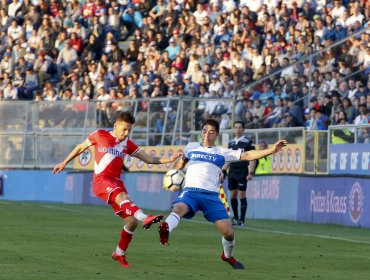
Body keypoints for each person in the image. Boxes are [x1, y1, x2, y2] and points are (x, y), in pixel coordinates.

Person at [53, 111, 183, 268]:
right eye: (124, 129)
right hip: (101, 181)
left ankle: (119, 253)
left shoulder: (127, 144)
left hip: (116, 182)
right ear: (116, 125)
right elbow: (80, 147)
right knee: (122, 197)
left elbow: (148, 158)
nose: (126, 133)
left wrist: (168, 159)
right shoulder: (99, 134)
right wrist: (64, 162)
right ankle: (145, 217)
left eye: (129, 130)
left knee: (131, 221)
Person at [158, 118, 287, 269]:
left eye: (211, 132)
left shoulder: (222, 152)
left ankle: (227, 256)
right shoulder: (191, 147)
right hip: (190, 192)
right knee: (178, 209)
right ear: (201, 132)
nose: (207, 134)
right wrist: (174, 173)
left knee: (229, 233)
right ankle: (166, 228)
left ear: (217, 135)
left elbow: (248, 156)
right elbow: (182, 163)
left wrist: (272, 149)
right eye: (205, 131)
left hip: (211, 196)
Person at [220, 121, 256, 227]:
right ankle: (235, 218)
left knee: (242, 195)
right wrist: (223, 171)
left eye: (240, 127)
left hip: (242, 171)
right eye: (235, 127)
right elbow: (228, 158)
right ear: (233, 129)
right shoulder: (231, 143)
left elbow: (253, 157)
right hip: (232, 171)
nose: (237, 129)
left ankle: (242, 220)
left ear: (243, 129)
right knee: (232, 195)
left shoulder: (248, 142)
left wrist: (251, 172)